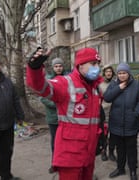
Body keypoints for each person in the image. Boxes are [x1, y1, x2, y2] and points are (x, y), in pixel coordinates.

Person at [26, 47, 103, 180]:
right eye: (93, 64)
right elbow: (41, 87)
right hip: (70, 155)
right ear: (81, 65)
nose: (97, 68)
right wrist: (34, 69)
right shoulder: (65, 82)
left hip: (89, 153)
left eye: (98, 64)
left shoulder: (94, 87)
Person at [104, 62, 139, 180]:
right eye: (120, 73)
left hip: (131, 123)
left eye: (124, 73)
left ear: (129, 73)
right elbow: (107, 97)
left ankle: (133, 171)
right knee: (120, 148)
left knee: (131, 149)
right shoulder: (114, 84)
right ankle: (120, 168)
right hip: (116, 123)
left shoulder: (136, 85)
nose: (122, 75)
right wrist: (118, 88)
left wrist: (136, 113)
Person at [39, 57, 67, 173]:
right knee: (55, 142)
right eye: (56, 66)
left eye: (60, 66)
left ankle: (66, 163)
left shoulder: (68, 79)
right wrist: (57, 104)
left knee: (66, 141)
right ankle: (55, 163)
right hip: (53, 117)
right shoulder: (48, 80)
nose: (58, 68)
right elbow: (43, 98)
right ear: (53, 67)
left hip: (67, 117)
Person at [99, 65, 117, 161]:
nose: (109, 73)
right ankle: (103, 151)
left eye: (110, 71)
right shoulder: (100, 85)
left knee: (113, 134)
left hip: (114, 112)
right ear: (104, 73)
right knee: (104, 134)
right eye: (107, 71)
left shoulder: (116, 83)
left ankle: (111, 152)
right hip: (103, 112)